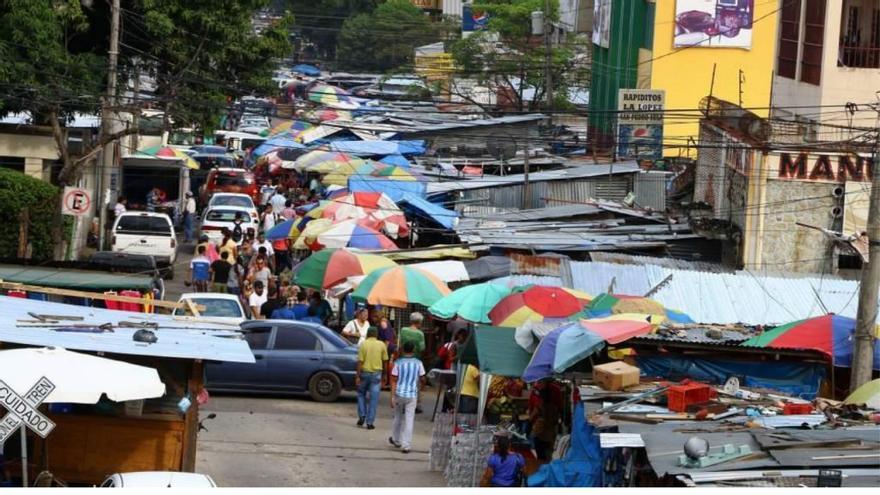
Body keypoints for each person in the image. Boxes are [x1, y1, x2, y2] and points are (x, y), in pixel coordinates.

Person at [388, 341, 425, 454]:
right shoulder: (418, 363)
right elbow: (423, 378)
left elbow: (393, 380)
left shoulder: (398, 363)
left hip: (399, 393)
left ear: (403, 350)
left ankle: (396, 439)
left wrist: (392, 396)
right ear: (413, 350)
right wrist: (420, 388)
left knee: (398, 417)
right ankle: (406, 445)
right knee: (409, 420)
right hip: (412, 395)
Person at [356, 327, 388, 430]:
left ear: (368, 334)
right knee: (373, 399)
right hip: (376, 374)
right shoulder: (382, 345)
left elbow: (360, 362)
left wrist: (358, 375)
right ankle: (370, 423)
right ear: (376, 334)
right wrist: (385, 375)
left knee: (361, 394)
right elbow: (385, 361)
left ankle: (362, 416)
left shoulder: (363, 344)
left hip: (365, 373)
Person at [398, 312, 427, 413]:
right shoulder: (420, 334)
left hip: (403, 359)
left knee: (402, 380)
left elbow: (400, 345)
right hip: (415, 360)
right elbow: (422, 348)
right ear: (419, 322)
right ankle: (415, 405)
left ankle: (401, 403)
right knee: (415, 383)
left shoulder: (403, 330)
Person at [529, 382, 561, 462]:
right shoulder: (554, 408)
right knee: (548, 456)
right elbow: (556, 422)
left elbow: (531, 417)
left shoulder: (540, 406)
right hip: (550, 436)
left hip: (540, 434)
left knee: (540, 456)